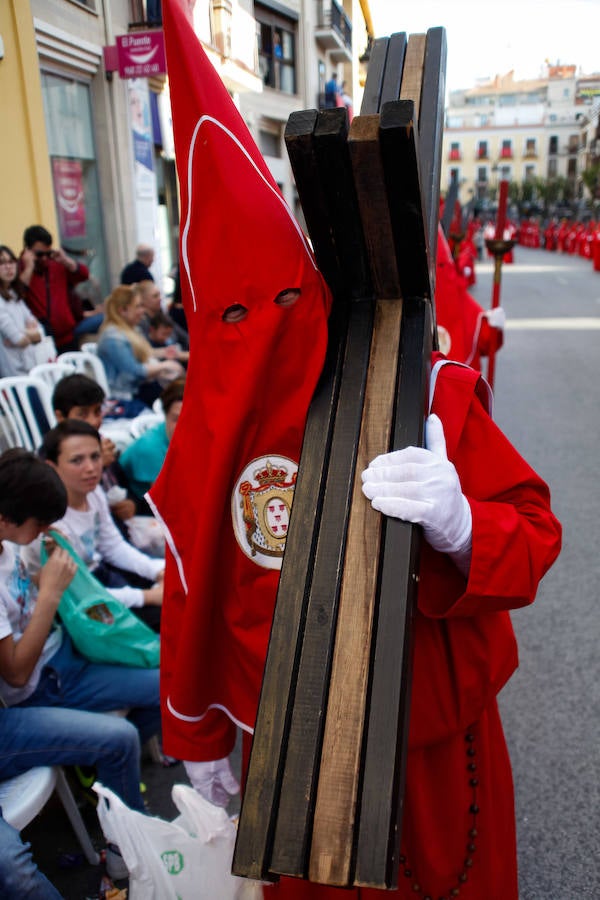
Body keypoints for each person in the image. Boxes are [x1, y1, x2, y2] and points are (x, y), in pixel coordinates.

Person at [153, 6, 562, 899]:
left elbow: (534, 536)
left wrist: (461, 525)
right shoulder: (220, 427)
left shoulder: (439, 390)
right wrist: (199, 730)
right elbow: (196, 573)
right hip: (292, 767)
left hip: (434, 754)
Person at [25, 421, 165, 632]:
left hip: (100, 578)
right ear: (51, 466)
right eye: (76, 460)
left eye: (95, 456)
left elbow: (113, 546)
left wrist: (157, 570)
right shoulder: (50, 524)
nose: (90, 468)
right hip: (78, 604)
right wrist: (147, 597)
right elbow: (78, 592)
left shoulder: (93, 493)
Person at [52, 373, 138, 525]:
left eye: (97, 412)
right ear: (60, 417)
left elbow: (124, 484)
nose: (93, 421)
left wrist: (130, 503)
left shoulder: (102, 442)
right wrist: (98, 464)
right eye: (82, 414)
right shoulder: (52, 454)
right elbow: (63, 502)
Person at [97, 284, 182, 409]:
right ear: (123, 310)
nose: (142, 311)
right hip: (126, 396)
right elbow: (134, 372)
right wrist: (164, 365)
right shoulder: (113, 338)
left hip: (139, 389)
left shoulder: (127, 330)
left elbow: (143, 354)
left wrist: (163, 353)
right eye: (137, 306)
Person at [435, 226, 504, 371]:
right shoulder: (454, 288)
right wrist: (493, 328)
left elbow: (486, 339)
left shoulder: (456, 292)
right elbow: (486, 340)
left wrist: (493, 325)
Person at [18, 225, 89, 353]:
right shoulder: (20, 269)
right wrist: (29, 267)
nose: (44, 258)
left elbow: (84, 275)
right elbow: (17, 294)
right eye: (39, 254)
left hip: (67, 337)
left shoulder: (57, 264)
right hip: (42, 341)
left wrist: (66, 260)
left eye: (48, 253)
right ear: (27, 250)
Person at [118, 378, 184, 504]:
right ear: (165, 415)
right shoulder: (150, 448)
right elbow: (169, 501)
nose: (184, 426)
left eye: (190, 417)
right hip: (143, 507)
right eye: (176, 419)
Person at [0, 244, 45, 374]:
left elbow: (41, 332)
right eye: (1, 263)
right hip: (12, 375)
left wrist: (23, 333)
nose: (8, 267)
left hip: (30, 367)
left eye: (11, 261)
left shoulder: (14, 295)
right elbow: (19, 340)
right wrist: (29, 333)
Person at [137, 279, 190, 362]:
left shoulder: (163, 316)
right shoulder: (141, 323)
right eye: (155, 296)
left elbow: (185, 338)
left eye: (159, 295)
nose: (159, 299)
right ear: (143, 300)